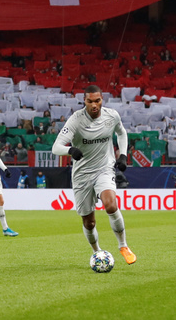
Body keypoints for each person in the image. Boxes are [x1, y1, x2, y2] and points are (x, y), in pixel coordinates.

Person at [52, 85, 135, 265]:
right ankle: (97, 252)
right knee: (89, 222)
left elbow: (122, 133)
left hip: (104, 169)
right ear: (85, 101)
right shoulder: (76, 120)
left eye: (97, 101)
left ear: (102, 99)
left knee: (111, 205)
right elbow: (56, 147)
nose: (94, 105)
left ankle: (123, 246)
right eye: (90, 101)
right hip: (82, 175)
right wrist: (70, 150)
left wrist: (122, 155)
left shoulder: (112, 116)